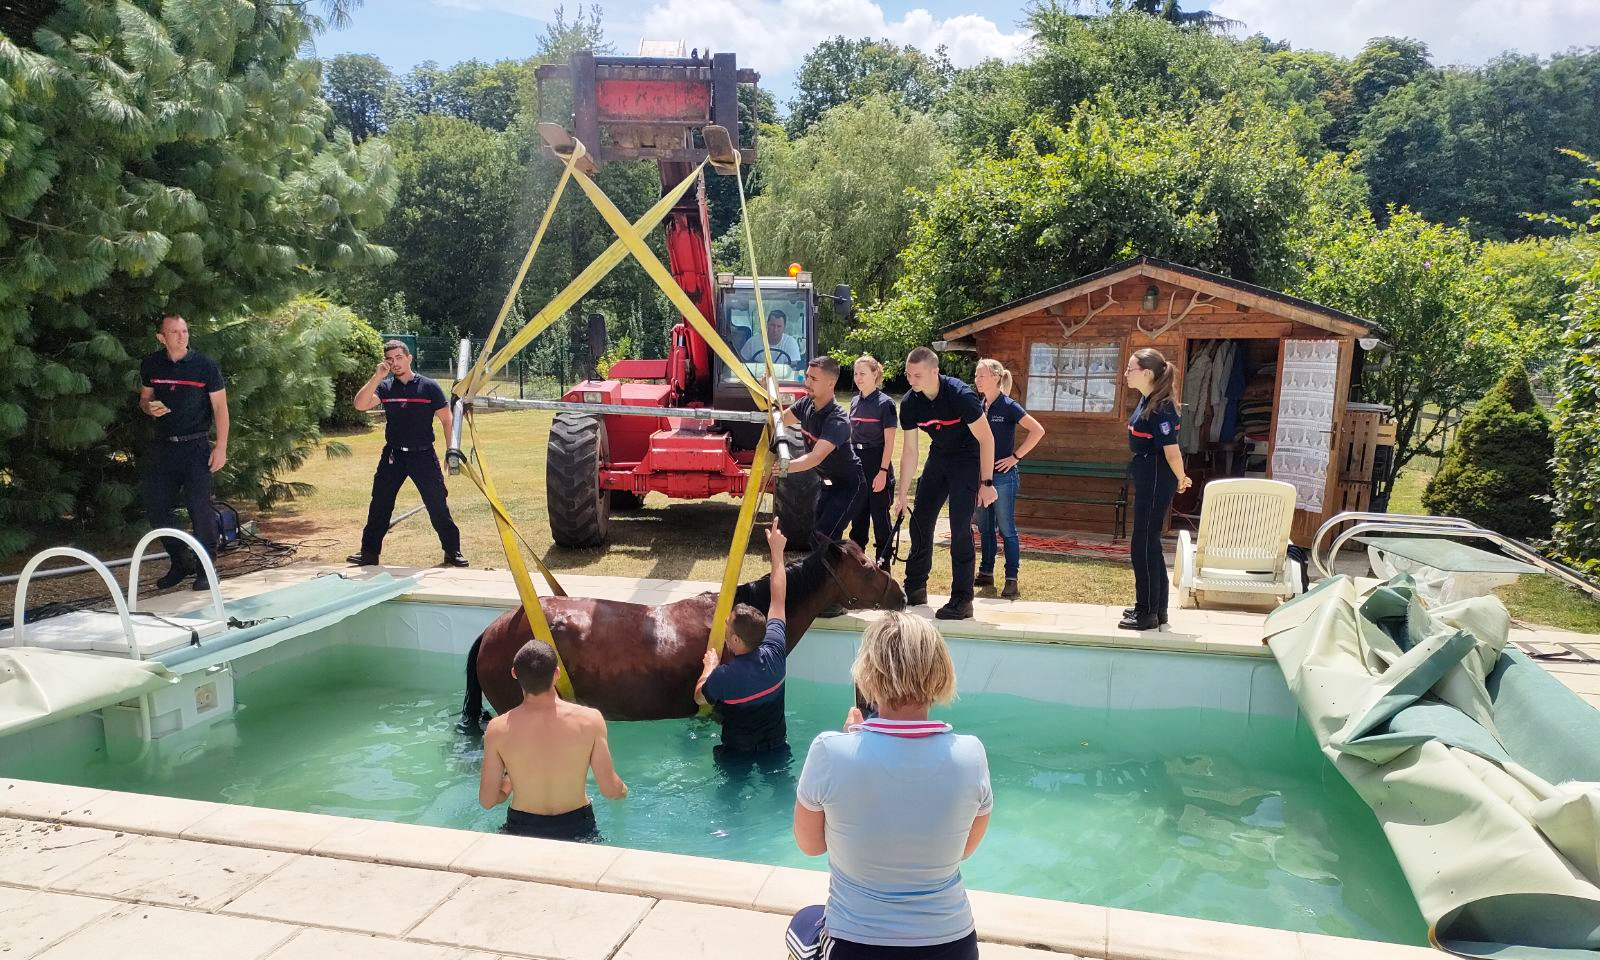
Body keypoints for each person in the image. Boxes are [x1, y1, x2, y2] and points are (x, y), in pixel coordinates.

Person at [789, 611, 992, 960]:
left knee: (801, 924)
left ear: (869, 674)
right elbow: (961, 850)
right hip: (953, 947)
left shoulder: (830, 751)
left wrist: (848, 743)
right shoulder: (971, 755)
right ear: (940, 671)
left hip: (857, 947)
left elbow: (810, 845)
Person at [478, 638, 628, 841]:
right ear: (556, 673)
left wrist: (507, 786)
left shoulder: (497, 729)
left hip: (521, 828)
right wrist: (622, 790)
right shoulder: (590, 720)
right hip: (577, 827)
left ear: (514, 673)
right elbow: (610, 790)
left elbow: (487, 800)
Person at [894, 347, 997, 621]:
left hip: (966, 458)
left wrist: (986, 482)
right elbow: (910, 452)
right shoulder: (910, 403)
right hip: (939, 456)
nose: (911, 381)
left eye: (917, 375)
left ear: (934, 372)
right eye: (908, 375)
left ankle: (962, 599)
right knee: (920, 522)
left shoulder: (960, 395)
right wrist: (901, 494)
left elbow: (987, 440)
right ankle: (915, 587)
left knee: (959, 528)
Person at [346, 340, 469, 568]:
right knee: (380, 504)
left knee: (437, 504)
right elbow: (360, 405)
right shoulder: (385, 387)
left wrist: (451, 449)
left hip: (423, 455)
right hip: (393, 456)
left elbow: (446, 419)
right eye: (390, 359)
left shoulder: (429, 387)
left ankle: (453, 551)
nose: (395, 363)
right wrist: (377, 377)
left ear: (409, 358)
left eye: (399, 357)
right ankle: (369, 554)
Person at [138, 313, 229, 591]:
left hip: (196, 446)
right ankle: (181, 560)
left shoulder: (204, 366)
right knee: (157, 508)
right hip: (164, 446)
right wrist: (149, 407)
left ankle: (206, 568)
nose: (182, 336)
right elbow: (145, 398)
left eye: (185, 331)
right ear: (161, 337)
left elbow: (220, 408)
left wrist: (221, 446)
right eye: (175, 332)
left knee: (199, 509)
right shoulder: (151, 364)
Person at [697, 519, 792, 760]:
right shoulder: (775, 652)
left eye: (727, 625)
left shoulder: (723, 676)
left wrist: (709, 668)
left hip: (738, 755)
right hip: (776, 748)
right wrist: (777, 554)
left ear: (737, 641)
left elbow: (699, 697)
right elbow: (778, 600)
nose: (725, 625)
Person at [1121, 348, 1192, 632]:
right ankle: (1156, 608)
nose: (1126, 373)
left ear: (1147, 374)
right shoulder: (1147, 400)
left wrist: (1182, 477)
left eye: (1130, 369)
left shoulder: (1161, 407)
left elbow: (1172, 452)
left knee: (1143, 543)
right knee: (1148, 542)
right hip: (1147, 471)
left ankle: (1146, 612)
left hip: (1156, 473)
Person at [972, 358, 1045, 600]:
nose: (977, 380)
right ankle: (986, 571)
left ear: (995, 377)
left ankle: (1011, 578)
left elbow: (1037, 430)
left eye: (981, 375)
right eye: (976, 375)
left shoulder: (1008, 405)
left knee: (1006, 529)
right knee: (985, 526)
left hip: (1004, 478)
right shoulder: (979, 405)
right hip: (983, 478)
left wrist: (1015, 457)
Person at [781, 357, 862, 545]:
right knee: (818, 536)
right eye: (807, 377)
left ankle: (834, 573)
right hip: (828, 483)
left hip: (849, 486)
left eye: (813, 379)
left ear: (830, 383)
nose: (807, 383)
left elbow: (815, 458)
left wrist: (783, 467)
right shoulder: (805, 405)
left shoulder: (837, 420)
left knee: (825, 539)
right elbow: (780, 420)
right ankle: (830, 573)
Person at [846, 355, 897, 565]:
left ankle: (883, 569)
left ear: (875, 374)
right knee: (858, 518)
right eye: (856, 374)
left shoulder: (886, 404)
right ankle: (857, 568)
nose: (858, 378)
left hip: (877, 461)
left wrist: (883, 471)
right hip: (857, 463)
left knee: (880, 519)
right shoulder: (854, 401)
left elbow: (889, 442)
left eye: (863, 374)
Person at [739, 309, 804, 367]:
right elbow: (742, 363)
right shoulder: (752, 342)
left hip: (783, 380)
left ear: (784, 327)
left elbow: (793, 368)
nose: (775, 330)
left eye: (779, 326)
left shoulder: (791, 343)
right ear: (767, 325)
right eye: (773, 325)